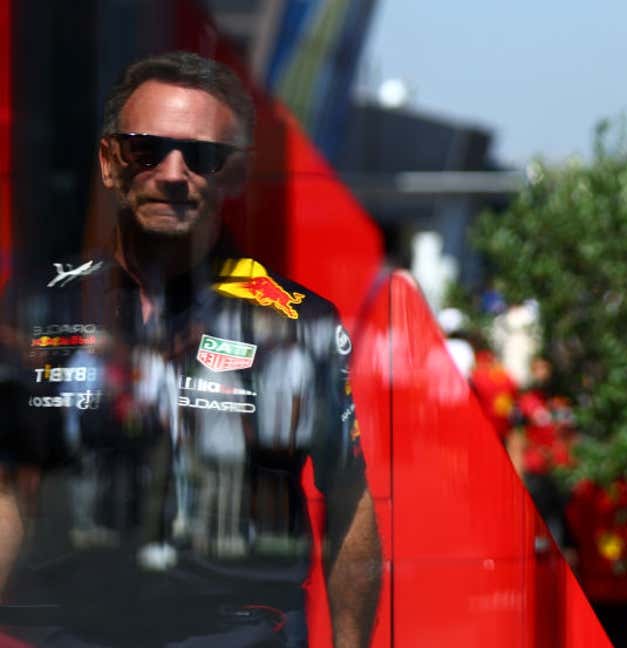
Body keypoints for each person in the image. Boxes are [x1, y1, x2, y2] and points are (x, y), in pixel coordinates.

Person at [0, 51, 380, 646]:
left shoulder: (299, 323)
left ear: (233, 175)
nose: (173, 172)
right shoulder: (37, 307)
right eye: (145, 149)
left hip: (240, 633)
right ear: (108, 162)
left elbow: (350, 499)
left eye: (201, 156)